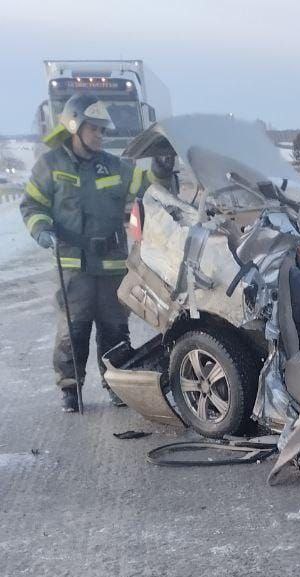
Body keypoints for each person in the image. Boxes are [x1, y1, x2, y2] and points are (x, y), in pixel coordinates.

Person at [20, 93, 170, 412]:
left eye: (103, 130)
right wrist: (42, 230)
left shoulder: (114, 166)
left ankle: (116, 384)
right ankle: (70, 388)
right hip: (73, 264)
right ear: (75, 126)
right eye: (94, 129)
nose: (101, 136)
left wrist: (161, 167)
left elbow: (151, 188)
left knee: (114, 327)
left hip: (113, 262)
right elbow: (32, 205)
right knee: (73, 329)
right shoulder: (51, 165)